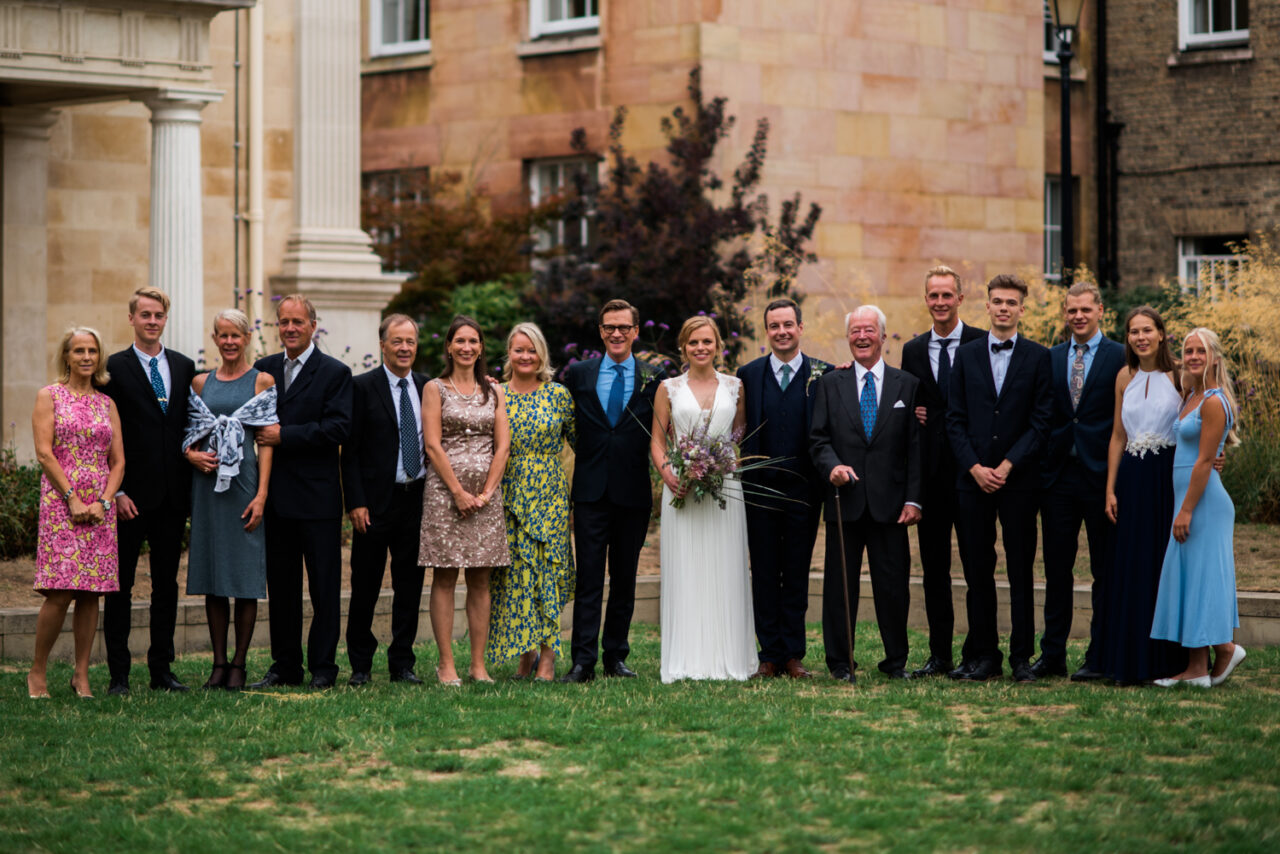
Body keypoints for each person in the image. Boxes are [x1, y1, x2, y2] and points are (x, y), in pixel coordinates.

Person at [945, 274, 1052, 683]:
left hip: (1019, 481)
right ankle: (984, 655)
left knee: (1021, 570)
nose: (1003, 307)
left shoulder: (1039, 357)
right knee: (977, 570)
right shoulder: (966, 356)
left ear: (1022, 309)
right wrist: (975, 467)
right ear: (986, 306)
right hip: (972, 480)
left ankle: (1022, 657)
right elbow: (954, 419)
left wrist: (1007, 466)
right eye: (997, 301)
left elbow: (1041, 422)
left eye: (1011, 302)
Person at [810, 306, 922, 684]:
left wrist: (913, 499)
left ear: (884, 337)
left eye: (869, 330)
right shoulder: (829, 384)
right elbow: (818, 439)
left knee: (893, 587)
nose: (862, 336)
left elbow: (914, 448)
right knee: (839, 588)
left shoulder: (906, 384)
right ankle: (841, 663)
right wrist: (832, 467)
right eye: (855, 330)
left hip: (892, 506)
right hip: (845, 502)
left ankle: (896, 662)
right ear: (848, 338)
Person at [250, 294, 353, 690]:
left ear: (313, 325)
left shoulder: (335, 373)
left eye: (297, 321)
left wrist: (284, 435)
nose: (290, 328)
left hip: (318, 500)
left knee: (324, 587)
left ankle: (324, 668)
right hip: (275, 497)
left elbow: (337, 429)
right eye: (283, 322)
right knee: (283, 587)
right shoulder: (264, 369)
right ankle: (285, 666)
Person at [560, 299, 660, 683]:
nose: (615, 334)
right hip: (589, 492)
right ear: (600, 331)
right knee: (588, 579)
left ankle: (615, 656)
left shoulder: (654, 378)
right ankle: (582, 661)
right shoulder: (579, 374)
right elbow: (558, 413)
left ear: (635, 331)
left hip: (633, 493)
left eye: (623, 327)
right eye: (608, 327)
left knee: (625, 579)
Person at [650, 316, 756, 682]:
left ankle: (728, 657)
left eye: (707, 342)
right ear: (683, 347)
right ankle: (687, 658)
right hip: (680, 491)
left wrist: (725, 463)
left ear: (718, 346)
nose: (700, 348)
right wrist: (670, 475)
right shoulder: (668, 388)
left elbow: (739, 434)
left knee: (725, 568)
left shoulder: (735, 386)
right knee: (687, 570)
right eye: (693, 342)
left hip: (725, 491)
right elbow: (658, 441)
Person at [102, 287, 195, 696]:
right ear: (132, 319)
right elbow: (105, 436)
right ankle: (119, 674)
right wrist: (116, 492)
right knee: (120, 586)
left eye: (158, 315)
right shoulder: (113, 369)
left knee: (166, 586)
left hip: (172, 497)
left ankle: (161, 669)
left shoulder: (184, 365)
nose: (152, 321)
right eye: (145, 314)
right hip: (129, 498)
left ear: (165, 319)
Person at [1034, 281, 1126, 682]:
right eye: (1072, 311)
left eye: (1086, 310)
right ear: (1065, 314)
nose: (1078, 316)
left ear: (1100, 310)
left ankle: (1098, 654)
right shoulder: (1050, 357)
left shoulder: (1121, 356)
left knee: (1104, 570)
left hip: (1102, 480)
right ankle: (1052, 655)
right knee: (1057, 570)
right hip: (1057, 479)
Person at [27, 327, 125, 699]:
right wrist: (72, 498)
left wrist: (103, 501)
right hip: (61, 504)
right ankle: (38, 672)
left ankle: (81, 675)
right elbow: (44, 452)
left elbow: (118, 461)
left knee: (91, 594)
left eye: (93, 351)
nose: (86, 357)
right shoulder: (48, 396)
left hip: (100, 508)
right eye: (79, 351)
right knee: (60, 591)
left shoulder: (107, 404)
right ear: (66, 356)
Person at [183, 309, 277, 691]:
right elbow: (189, 433)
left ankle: (239, 663)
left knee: (243, 574)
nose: (229, 342)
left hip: (244, 483)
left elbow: (268, 442)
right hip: (207, 486)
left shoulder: (262, 381)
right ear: (215, 338)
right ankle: (218, 663)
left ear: (247, 336)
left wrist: (262, 495)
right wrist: (190, 454)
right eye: (222, 335)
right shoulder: (201, 383)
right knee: (213, 573)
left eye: (236, 335)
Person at [899, 266, 985, 677]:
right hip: (931, 479)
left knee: (976, 567)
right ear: (926, 299)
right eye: (933, 296)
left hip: (972, 476)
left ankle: (977, 654)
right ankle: (940, 656)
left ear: (960, 299)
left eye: (947, 295)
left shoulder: (981, 342)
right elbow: (909, 402)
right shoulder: (913, 350)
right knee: (934, 571)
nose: (939, 303)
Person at [735, 299, 828, 680]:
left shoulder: (822, 374)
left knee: (796, 572)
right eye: (774, 326)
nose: (782, 331)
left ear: (800, 328)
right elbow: (737, 429)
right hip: (759, 492)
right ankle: (769, 654)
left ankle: (793, 654)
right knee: (765, 572)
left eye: (788, 324)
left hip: (805, 492)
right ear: (767, 331)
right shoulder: (748, 374)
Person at [1151, 327, 1246, 689]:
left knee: (1202, 579)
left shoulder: (1213, 401)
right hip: (1188, 497)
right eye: (1188, 351)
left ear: (1215, 358)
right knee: (1191, 579)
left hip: (1203, 503)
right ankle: (1205, 661)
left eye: (1200, 352)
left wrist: (1186, 510)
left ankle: (1214, 656)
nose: (1192, 357)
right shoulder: (1191, 393)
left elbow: (1205, 460)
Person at [420, 315, 511, 685]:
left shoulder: (494, 391)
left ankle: (477, 664)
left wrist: (487, 492)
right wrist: (458, 492)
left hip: (486, 498)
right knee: (444, 577)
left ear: (481, 347)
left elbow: (502, 445)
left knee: (480, 579)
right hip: (445, 494)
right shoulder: (434, 388)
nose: (467, 347)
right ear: (449, 346)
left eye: (473, 341)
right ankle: (446, 664)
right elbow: (432, 444)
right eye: (460, 341)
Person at [341, 314, 429, 687]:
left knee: (409, 587)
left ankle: (402, 663)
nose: (404, 348)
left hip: (417, 500)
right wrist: (356, 502)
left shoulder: (428, 387)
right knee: (366, 586)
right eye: (397, 341)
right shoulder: (362, 387)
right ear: (383, 345)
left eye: (410, 341)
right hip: (375, 504)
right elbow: (350, 452)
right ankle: (360, 665)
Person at [1100, 307, 1187, 684]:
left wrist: (1215, 455)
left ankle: (1167, 660)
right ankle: (1129, 659)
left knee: (1161, 562)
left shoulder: (1181, 374)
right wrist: (1109, 489)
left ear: (1162, 334)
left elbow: (1204, 419)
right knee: (1131, 562)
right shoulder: (1125, 375)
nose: (1140, 337)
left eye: (1147, 330)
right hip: (1132, 478)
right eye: (1133, 331)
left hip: (1167, 476)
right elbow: (1118, 435)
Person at [489, 322, 576, 682]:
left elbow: (582, 445)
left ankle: (548, 657)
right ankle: (524, 655)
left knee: (548, 574)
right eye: (518, 349)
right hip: (507, 494)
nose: (525, 356)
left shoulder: (558, 394)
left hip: (550, 495)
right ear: (508, 353)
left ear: (542, 354)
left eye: (532, 349)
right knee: (516, 577)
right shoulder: (495, 394)